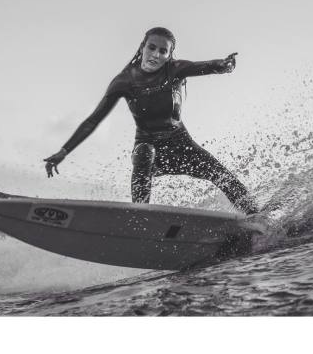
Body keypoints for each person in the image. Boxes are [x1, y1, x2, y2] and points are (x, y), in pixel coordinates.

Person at [44, 27, 259, 215]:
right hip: (149, 150)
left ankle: (255, 217)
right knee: (145, 151)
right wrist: (63, 151)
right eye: (151, 47)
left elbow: (207, 66)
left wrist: (225, 65)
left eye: (162, 51)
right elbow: (93, 121)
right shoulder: (124, 81)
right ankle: (140, 213)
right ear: (142, 47)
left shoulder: (175, 70)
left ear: (169, 55)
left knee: (220, 174)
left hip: (182, 146)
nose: (155, 54)